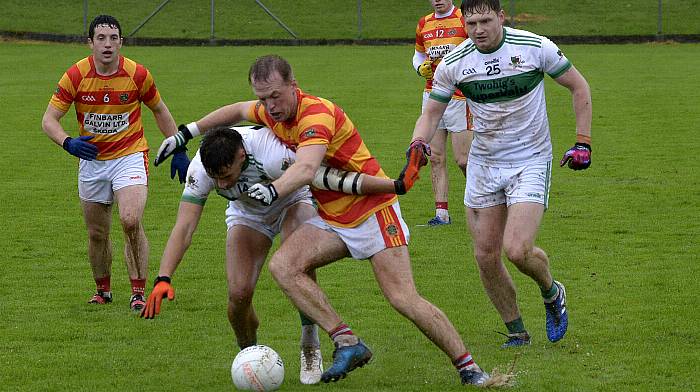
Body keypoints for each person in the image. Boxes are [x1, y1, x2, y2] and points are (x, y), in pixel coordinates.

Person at [155, 55, 490, 386]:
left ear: (293, 86)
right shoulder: (271, 113)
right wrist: (187, 132)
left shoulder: (315, 114)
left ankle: (469, 367)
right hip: (331, 216)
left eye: (275, 96)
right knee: (283, 266)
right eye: (263, 98)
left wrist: (273, 191)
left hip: (372, 212)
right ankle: (347, 341)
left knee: (403, 298)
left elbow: (305, 169)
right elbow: (237, 110)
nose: (269, 106)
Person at [141, 124, 400, 384]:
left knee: (296, 261)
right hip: (249, 214)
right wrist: (163, 277)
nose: (220, 184)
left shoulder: (274, 154)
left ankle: (309, 343)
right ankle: (250, 357)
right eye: (215, 178)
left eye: (225, 176)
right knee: (239, 294)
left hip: (293, 200)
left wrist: (391, 185)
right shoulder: (201, 168)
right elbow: (184, 226)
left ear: (241, 156)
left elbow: (328, 176)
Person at [409, 0, 592, 348]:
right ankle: (517, 331)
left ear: (502, 17)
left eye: (486, 21)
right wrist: (419, 140)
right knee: (485, 256)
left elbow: (579, 86)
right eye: (472, 23)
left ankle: (552, 292)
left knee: (518, 250)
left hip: (531, 159)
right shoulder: (455, 62)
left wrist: (583, 142)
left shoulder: (535, 47)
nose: (478, 30)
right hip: (484, 163)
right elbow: (432, 112)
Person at [41, 15, 189, 311]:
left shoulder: (137, 74)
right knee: (97, 233)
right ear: (90, 43)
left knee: (131, 220)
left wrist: (179, 147)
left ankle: (138, 291)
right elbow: (49, 120)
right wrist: (68, 142)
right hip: (92, 161)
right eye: (101, 38)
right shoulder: (75, 75)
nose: (107, 44)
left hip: (130, 155)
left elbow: (159, 110)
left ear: (121, 42)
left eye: (113, 38)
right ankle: (103, 290)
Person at [414, 0, 473, 226]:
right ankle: (442, 214)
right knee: (436, 157)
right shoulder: (424, 24)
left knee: (463, 160)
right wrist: (420, 68)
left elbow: (478, 49)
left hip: (459, 96)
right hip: (432, 95)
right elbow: (418, 55)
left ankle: (484, 203)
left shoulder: (463, 19)